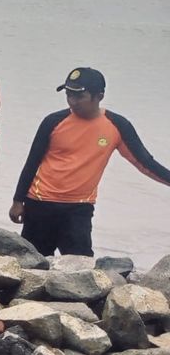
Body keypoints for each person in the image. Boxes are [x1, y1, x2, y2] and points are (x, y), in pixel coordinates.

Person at [10, 67, 170, 256]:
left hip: (79, 208)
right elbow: (32, 163)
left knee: (81, 267)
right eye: (68, 95)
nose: (72, 101)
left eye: (79, 96)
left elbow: (145, 163)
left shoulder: (117, 126)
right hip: (40, 204)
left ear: (99, 96)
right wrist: (18, 200)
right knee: (33, 265)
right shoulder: (53, 122)